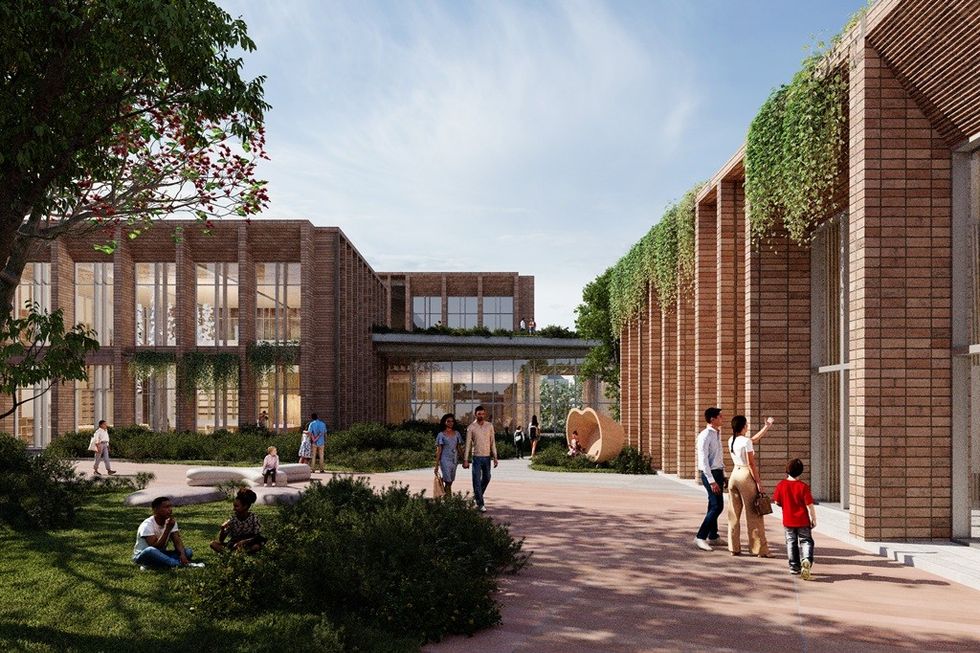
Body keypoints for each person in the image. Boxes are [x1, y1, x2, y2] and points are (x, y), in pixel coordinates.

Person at [727, 415, 775, 557]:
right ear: (743, 426)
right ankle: (760, 549)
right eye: (746, 425)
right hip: (745, 475)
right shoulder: (745, 441)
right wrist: (759, 482)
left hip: (734, 474)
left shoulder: (732, 439)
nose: (748, 426)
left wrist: (766, 427)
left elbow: (753, 440)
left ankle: (734, 547)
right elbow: (751, 464)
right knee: (754, 514)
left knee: (733, 514)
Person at [772, 458, 817, 579]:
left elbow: (776, 501)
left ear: (787, 470)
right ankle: (806, 559)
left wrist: (785, 504)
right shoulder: (803, 486)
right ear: (800, 471)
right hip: (802, 520)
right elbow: (810, 505)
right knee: (806, 540)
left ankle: (794, 566)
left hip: (788, 520)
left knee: (791, 542)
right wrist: (813, 518)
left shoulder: (781, 485)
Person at [132, 496, 203, 569]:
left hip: (161, 553)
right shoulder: (147, 525)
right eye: (166, 507)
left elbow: (177, 541)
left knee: (188, 552)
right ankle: (180, 564)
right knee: (150, 550)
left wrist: (182, 555)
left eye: (170, 506)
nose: (170, 510)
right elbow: (156, 547)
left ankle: (154, 565)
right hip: (143, 556)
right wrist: (167, 529)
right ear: (155, 510)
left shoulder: (170, 522)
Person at [695, 407, 726, 551]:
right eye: (720, 416)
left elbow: (718, 457)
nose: (722, 418)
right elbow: (703, 460)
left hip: (718, 473)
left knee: (712, 504)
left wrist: (723, 474)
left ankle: (713, 536)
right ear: (712, 419)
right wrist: (712, 480)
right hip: (710, 475)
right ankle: (700, 536)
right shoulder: (705, 435)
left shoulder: (717, 434)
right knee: (717, 506)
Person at [463, 405, 498, 512]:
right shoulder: (471, 427)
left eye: (483, 414)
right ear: (475, 414)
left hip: (487, 457)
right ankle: (480, 503)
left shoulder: (489, 426)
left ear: (485, 414)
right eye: (479, 414)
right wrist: (465, 459)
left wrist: (495, 457)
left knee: (487, 477)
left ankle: (477, 496)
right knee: (476, 480)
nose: (481, 416)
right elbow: (468, 444)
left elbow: (493, 442)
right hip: (476, 457)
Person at [210, 488, 265, 554]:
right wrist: (222, 529)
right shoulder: (233, 519)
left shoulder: (253, 517)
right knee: (213, 544)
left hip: (249, 543)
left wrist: (244, 542)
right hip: (234, 544)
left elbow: (258, 537)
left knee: (256, 546)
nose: (234, 509)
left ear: (245, 506)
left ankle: (235, 554)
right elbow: (221, 540)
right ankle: (234, 554)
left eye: (236, 506)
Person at [434, 413, 463, 495]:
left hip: (454, 460)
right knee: (448, 481)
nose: (450, 423)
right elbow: (439, 450)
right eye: (448, 421)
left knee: (451, 480)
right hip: (445, 460)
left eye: (452, 421)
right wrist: (436, 465)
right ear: (444, 422)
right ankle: (449, 501)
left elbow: (459, 447)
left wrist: (465, 459)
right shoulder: (441, 435)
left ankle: (441, 489)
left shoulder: (457, 434)